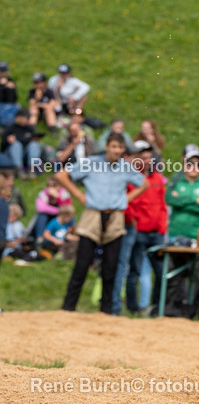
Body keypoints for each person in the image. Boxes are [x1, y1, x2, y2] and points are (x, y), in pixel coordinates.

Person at [56, 132, 147, 314]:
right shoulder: (92, 162)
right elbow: (61, 176)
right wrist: (79, 195)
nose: (116, 150)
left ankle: (106, 310)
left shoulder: (125, 167)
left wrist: (125, 199)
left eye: (120, 147)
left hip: (114, 217)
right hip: (93, 214)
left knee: (110, 266)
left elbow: (143, 184)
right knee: (82, 264)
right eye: (113, 146)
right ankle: (68, 308)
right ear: (106, 146)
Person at [113, 140, 167, 314]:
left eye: (149, 157)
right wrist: (133, 220)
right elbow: (129, 200)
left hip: (155, 232)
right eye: (143, 158)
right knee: (133, 271)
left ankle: (156, 308)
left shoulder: (157, 177)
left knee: (160, 272)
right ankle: (132, 308)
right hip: (138, 231)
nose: (146, 161)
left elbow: (162, 204)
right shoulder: (133, 178)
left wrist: (162, 226)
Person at [2, 108, 42, 179]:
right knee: (16, 145)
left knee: (34, 145)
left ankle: (32, 170)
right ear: (18, 117)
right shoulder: (10, 127)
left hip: (25, 153)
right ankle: (19, 170)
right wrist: (8, 141)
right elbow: (3, 146)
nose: (26, 120)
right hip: (11, 154)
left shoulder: (30, 128)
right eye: (25, 118)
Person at [34, 175, 73, 241]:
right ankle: (39, 239)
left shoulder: (64, 194)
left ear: (60, 186)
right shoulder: (44, 193)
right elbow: (41, 208)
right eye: (49, 185)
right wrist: (59, 210)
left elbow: (68, 208)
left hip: (61, 216)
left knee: (70, 216)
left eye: (54, 185)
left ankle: (71, 235)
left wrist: (58, 198)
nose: (51, 188)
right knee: (42, 216)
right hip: (48, 216)